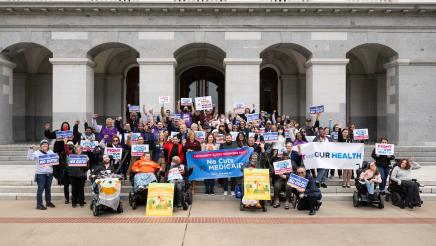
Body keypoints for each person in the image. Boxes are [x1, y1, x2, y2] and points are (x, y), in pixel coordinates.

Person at [27, 140, 57, 210]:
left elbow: (54, 161)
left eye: (46, 145)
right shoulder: (36, 153)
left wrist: (56, 158)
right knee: (40, 189)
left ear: (48, 146)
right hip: (40, 174)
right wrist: (30, 149)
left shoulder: (51, 152)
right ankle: (39, 204)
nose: (45, 146)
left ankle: (48, 202)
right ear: (40, 146)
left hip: (49, 173)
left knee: (48, 189)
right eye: (43, 145)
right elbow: (29, 158)